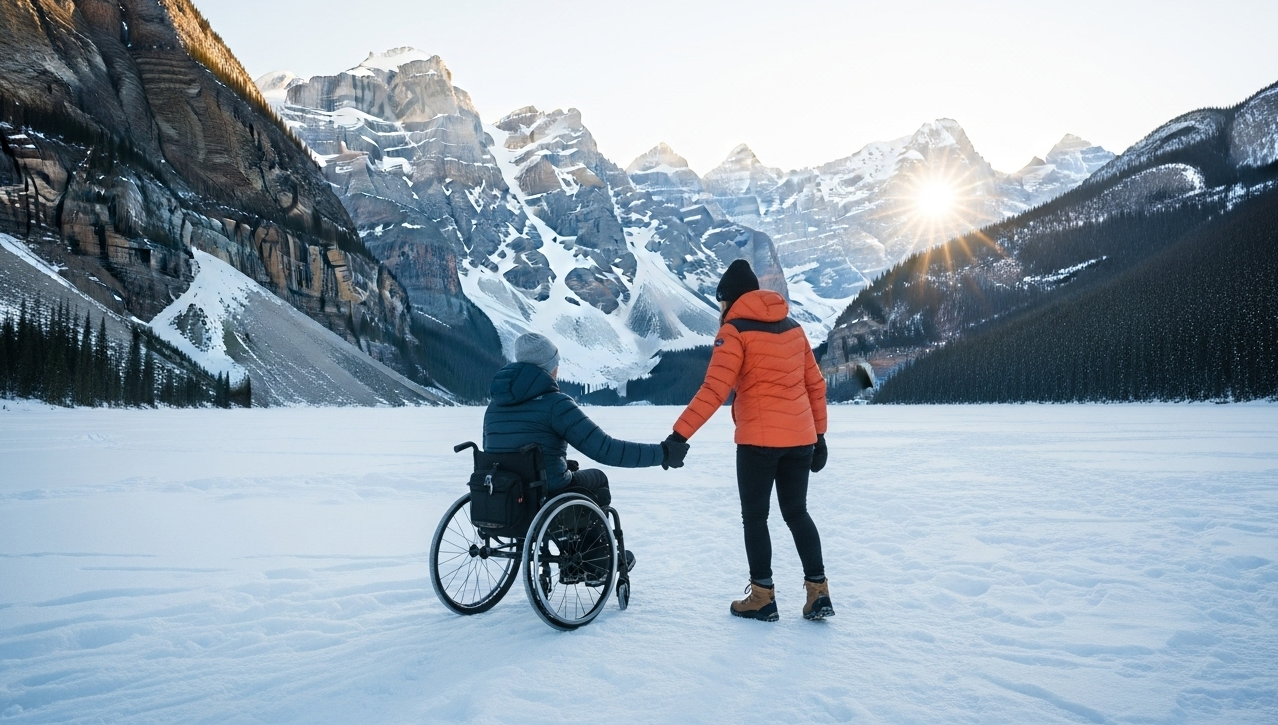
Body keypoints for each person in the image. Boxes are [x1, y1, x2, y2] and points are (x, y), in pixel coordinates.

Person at [664, 259, 833, 622]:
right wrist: (819, 436)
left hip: (758, 441)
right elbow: (815, 386)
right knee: (797, 513)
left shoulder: (734, 331)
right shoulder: (794, 328)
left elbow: (714, 389)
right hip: (801, 439)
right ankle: (818, 592)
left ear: (728, 299)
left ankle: (762, 597)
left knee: (755, 517)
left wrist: (679, 435)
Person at [485, 332, 690, 573]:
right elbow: (606, 450)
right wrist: (663, 454)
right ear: (548, 368)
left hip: (504, 498)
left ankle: (581, 554)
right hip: (545, 498)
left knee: (570, 477)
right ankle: (595, 559)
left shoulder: (494, 407)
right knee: (596, 479)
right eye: (556, 364)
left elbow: (502, 453)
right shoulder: (556, 404)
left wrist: (554, 464)